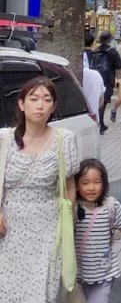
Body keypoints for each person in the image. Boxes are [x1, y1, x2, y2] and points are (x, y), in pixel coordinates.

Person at [0, 76, 79, 303]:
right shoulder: (4, 138)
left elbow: (69, 189)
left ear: (54, 106)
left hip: (48, 228)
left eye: (47, 99)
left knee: (42, 293)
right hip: (9, 229)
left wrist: (66, 228)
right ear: (22, 104)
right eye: (33, 99)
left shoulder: (65, 139)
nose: (40, 105)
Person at [74, 158, 121, 301]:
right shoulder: (73, 209)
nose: (91, 187)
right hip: (77, 274)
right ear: (76, 185)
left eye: (97, 182)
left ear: (104, 183)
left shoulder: (110, 206)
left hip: (104, 272)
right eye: (85, 183)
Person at [92, 31, 121, 134]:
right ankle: (100, 124)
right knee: (103, 102)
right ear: (109, 40)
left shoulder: (96, 50)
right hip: (108, 78)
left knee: (98, 101)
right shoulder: (113, 51)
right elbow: (119, 66)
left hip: (97, 77)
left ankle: (99, 122)